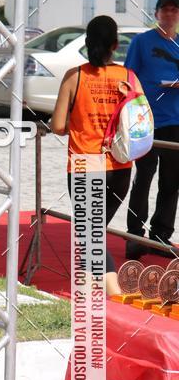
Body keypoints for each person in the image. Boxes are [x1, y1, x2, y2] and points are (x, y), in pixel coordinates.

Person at [51, 15, 144, 295]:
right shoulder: (128, 77)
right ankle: (92, 287)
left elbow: (57, 126)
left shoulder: (74, 77)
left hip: (84, 163)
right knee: (93, 232)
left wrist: (79, 123)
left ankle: (115, 291)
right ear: (115, 45)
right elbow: (140, 122)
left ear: (86, 43)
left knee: (89, 233)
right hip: (120, 167)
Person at [124, 0, 179, 258]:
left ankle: (161, 236)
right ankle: (134, 235)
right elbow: (128, 77)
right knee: (144, 176)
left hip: (176, 121)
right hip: (146, 119)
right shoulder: (142, 42)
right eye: (165, 10)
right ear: (156, 13)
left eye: (174, 10)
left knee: (172, 181)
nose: (169, 15)